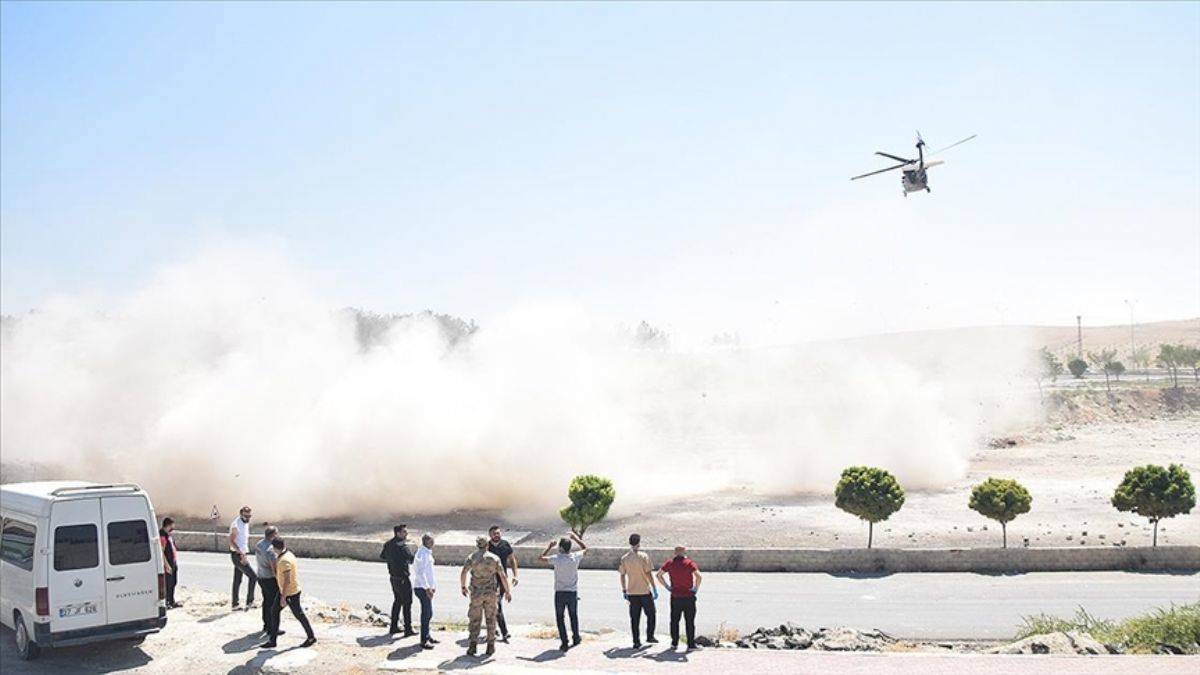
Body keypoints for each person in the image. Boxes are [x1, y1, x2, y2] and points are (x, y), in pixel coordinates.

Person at [459, 536, 511, 657]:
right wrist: (507, 591)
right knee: (491, 618)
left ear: (477, 545)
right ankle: (490, 646)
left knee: (475, 619)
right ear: (487, 545)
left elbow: (464, 572)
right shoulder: (494, 558)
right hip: (491, 593)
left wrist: (463, 586)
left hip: (476, 593)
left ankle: (472, 645)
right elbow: (502, 576)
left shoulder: (472, 557)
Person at [262, 538, 316, 649]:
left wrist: (283, 597)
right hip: (286, 591)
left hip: (290, 593)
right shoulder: (288, 554)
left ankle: (311, 637)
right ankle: (273, 640)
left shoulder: (284, 561)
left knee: (299, 615)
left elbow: (287, 580)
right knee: (274, 611)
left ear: (276, 548)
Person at [539, 532, 587, 651]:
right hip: (572, 592)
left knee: (560, 618)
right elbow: (586, 549)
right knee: (573, 616)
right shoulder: (575, 557)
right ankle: (576, 637)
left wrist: (549, 547)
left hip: (560, 593)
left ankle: (564, 642)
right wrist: (575, 538)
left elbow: (540, 558)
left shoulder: (556, 558)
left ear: (560, 548)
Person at [655, 545, 702, 651]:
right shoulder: (689, 563)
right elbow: (699, 576)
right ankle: (690, 644)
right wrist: (695, 588)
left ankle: (674, 643)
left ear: (675, 553)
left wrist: (667, 587)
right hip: (688, 596)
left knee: (674, 620)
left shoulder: (670, 563)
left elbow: (658, 575)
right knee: (689, 621)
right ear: (684, 552)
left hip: (675, 596)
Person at [618, 533, 658, 648]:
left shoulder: (625, 558)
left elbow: (622, 575)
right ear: (639, 543)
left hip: (632, 592)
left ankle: (636, 641)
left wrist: (624, 590)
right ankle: (650, 635)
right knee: (651, 614)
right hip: (644, 591)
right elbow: (648, 573)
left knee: (634, 618)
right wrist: (654, 588)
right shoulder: (644, 556)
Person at [380, 524, 415, 637]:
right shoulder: (402, 546)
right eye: (404, 532)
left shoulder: (388, 544)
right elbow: (411, 559)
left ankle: (393, 626)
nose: (406, 534)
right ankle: (408, 629)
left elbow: (383, 556)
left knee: (397, 602)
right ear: (398, 533)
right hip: (403, 579)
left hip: (393, 578)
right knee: (407, 603)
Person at [486, 525, 519, 642]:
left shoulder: (505, 545)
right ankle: (504, 632)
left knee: (496, 605)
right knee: (496, 605)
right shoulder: (486, 546)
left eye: (498, 533)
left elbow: (512, 559)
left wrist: (515, 575)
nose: (497, 535)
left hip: (502, 579)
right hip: (489, 580)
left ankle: (494, 629)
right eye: (494, 533)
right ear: (490, 535)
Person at [255, 526, 283, 638]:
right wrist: (280, 580)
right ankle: (273, 629)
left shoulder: (259, 544)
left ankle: (266, 625)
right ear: (273, 535)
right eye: (277, 533)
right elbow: (274, 568)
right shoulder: (271, 550)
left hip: (261, 577)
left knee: (266, 602)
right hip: (270, 579)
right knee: (273, 605)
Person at [412, 533, 438, 650]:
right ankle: (424, 640)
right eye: (432, 541)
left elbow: (429, 572)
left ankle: (427, 635)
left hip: (426, 588)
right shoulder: (422, 554)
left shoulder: (426, 553)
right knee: (426, 614)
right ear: (427, 541)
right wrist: (427, 588)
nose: (433, 543)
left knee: (429, 614)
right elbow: (421, 573)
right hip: (422, 588)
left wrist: (432, 586)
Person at [228, 505, 257, 609]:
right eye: (246, 516)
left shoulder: (245, 523)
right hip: (238, 555)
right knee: (254, 577)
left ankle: (235, 604)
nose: (248, 518)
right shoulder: (236, 525)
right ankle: (250, 602)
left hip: (241, 554)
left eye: (249, 516)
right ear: (241, 514)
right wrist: (241, 554)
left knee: (237, 580)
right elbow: (231, 541)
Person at [159, 518, 180, 609]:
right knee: (168, 584)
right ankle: (167, 602)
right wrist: (166, 565)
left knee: (173, 582)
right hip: (168, 564)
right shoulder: (162, 536)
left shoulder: (168, 535)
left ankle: (172, 601)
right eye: (171, 526)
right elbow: (161, 552)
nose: (172, 528)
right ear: (167, 525)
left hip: (173, 563)